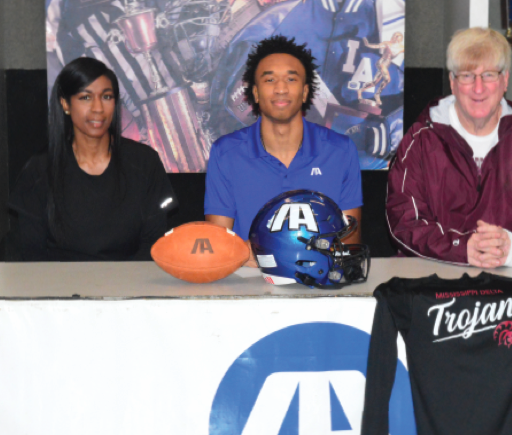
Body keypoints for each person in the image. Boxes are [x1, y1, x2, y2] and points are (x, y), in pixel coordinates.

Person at [386, 27, 512, 268]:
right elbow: (404, 223)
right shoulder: (419, 143)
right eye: (467, 75)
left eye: (489, 75)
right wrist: (461, 248)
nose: (478, 88)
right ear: (452, 82)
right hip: (434, 284)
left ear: (505, 80)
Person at [204, 35, 363, 265]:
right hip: (248, 280)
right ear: (255, 93)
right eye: (269, 80)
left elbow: (348, 242)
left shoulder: (341, 151)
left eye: (291, 79)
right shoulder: (225, 153)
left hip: (320, 281)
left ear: (305, 92)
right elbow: (219, 247)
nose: (280, 88)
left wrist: (272, 253)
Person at [8, 57, 177, 261]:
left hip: (130, 278)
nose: (98, 108)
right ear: (65, 104)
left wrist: (123, 280)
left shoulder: (144, 162)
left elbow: (154, 244)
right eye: (86, 97)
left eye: (106, 97)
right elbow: (31, 253)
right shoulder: (40, 169)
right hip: (60, 279)